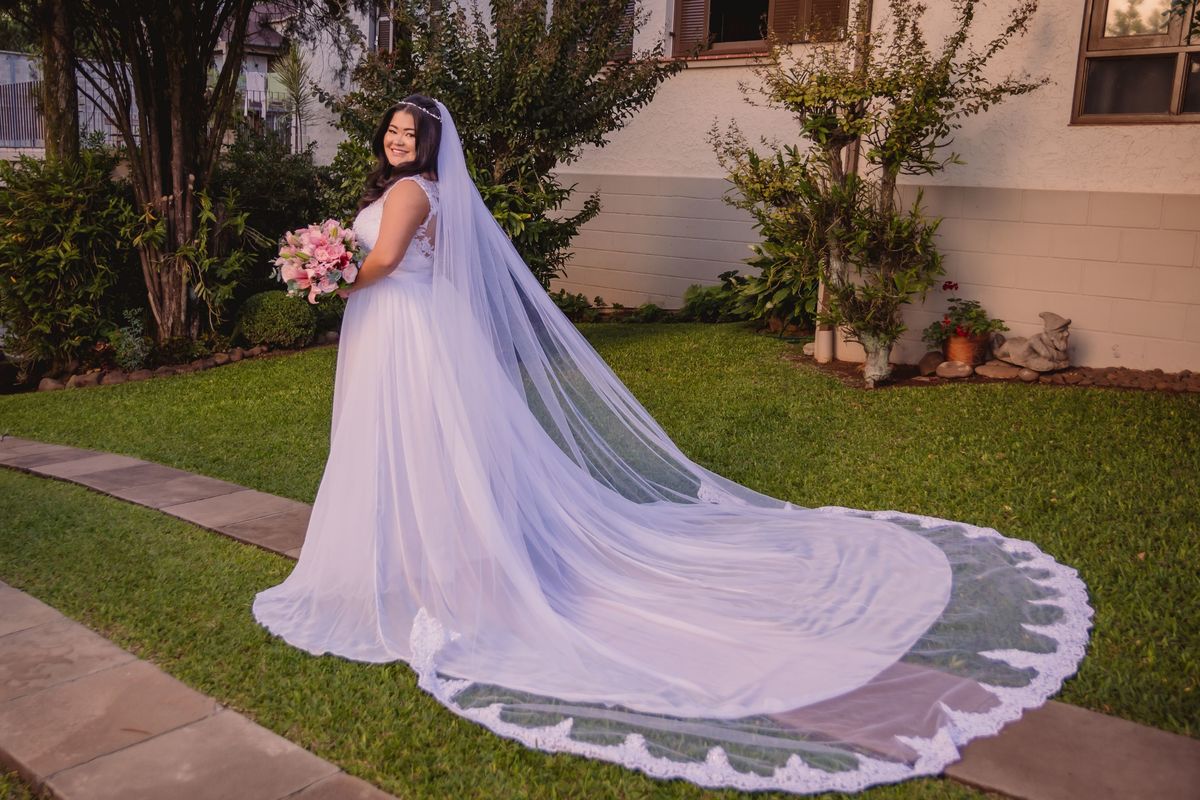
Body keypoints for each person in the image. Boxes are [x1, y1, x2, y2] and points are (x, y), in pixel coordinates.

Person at [253, 95, 1092, 795]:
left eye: (410, 132)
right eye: (392, 130)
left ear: (431, 143)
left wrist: (325, 274)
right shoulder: (423, 189)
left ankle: (437, 574)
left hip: (402, 328)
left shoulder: (411, 194)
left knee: (413, 443)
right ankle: (435, 561)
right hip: (411, 328)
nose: (397, 139)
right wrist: (330, 267)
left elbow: (385, 262)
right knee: (426, 448)